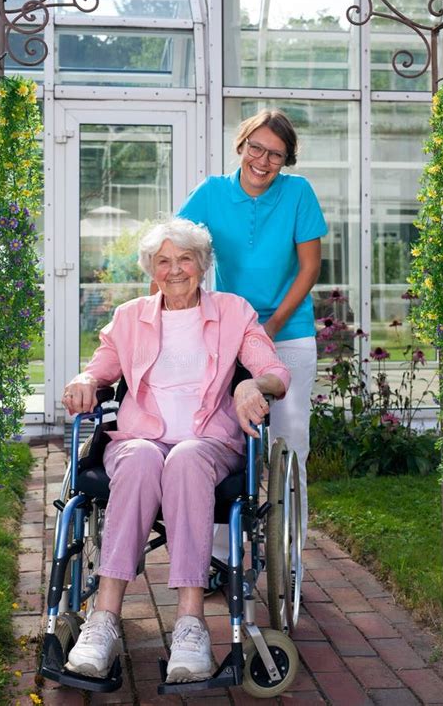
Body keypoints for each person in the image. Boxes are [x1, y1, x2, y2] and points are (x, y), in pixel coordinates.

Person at [61, 218, 291, 684]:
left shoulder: (232, 312)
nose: (175, 270)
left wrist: (252, 384)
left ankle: (191, 624)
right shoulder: (129, 317)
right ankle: (102, 621)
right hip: (139, 442)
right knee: (144, 456)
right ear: (152, 269)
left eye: (184, 258)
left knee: (185, 457)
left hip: (208, 443)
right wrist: (85, 382)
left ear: (202, 265)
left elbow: (274, 372)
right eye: (163, 261)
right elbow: (99, 370)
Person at [177, 108, 327, 557]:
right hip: (227, 333)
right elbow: (176, 250)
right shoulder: (211, 193)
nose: (263, 161)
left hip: (289, 331)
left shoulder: (298, 193)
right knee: (223, 438)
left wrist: (271, 326)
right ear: (241, 146)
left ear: (287, 160)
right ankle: (222, 555)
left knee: (290, 441)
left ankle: (288, 554)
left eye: (276, 155)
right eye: (256, 148)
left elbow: (309, 267)